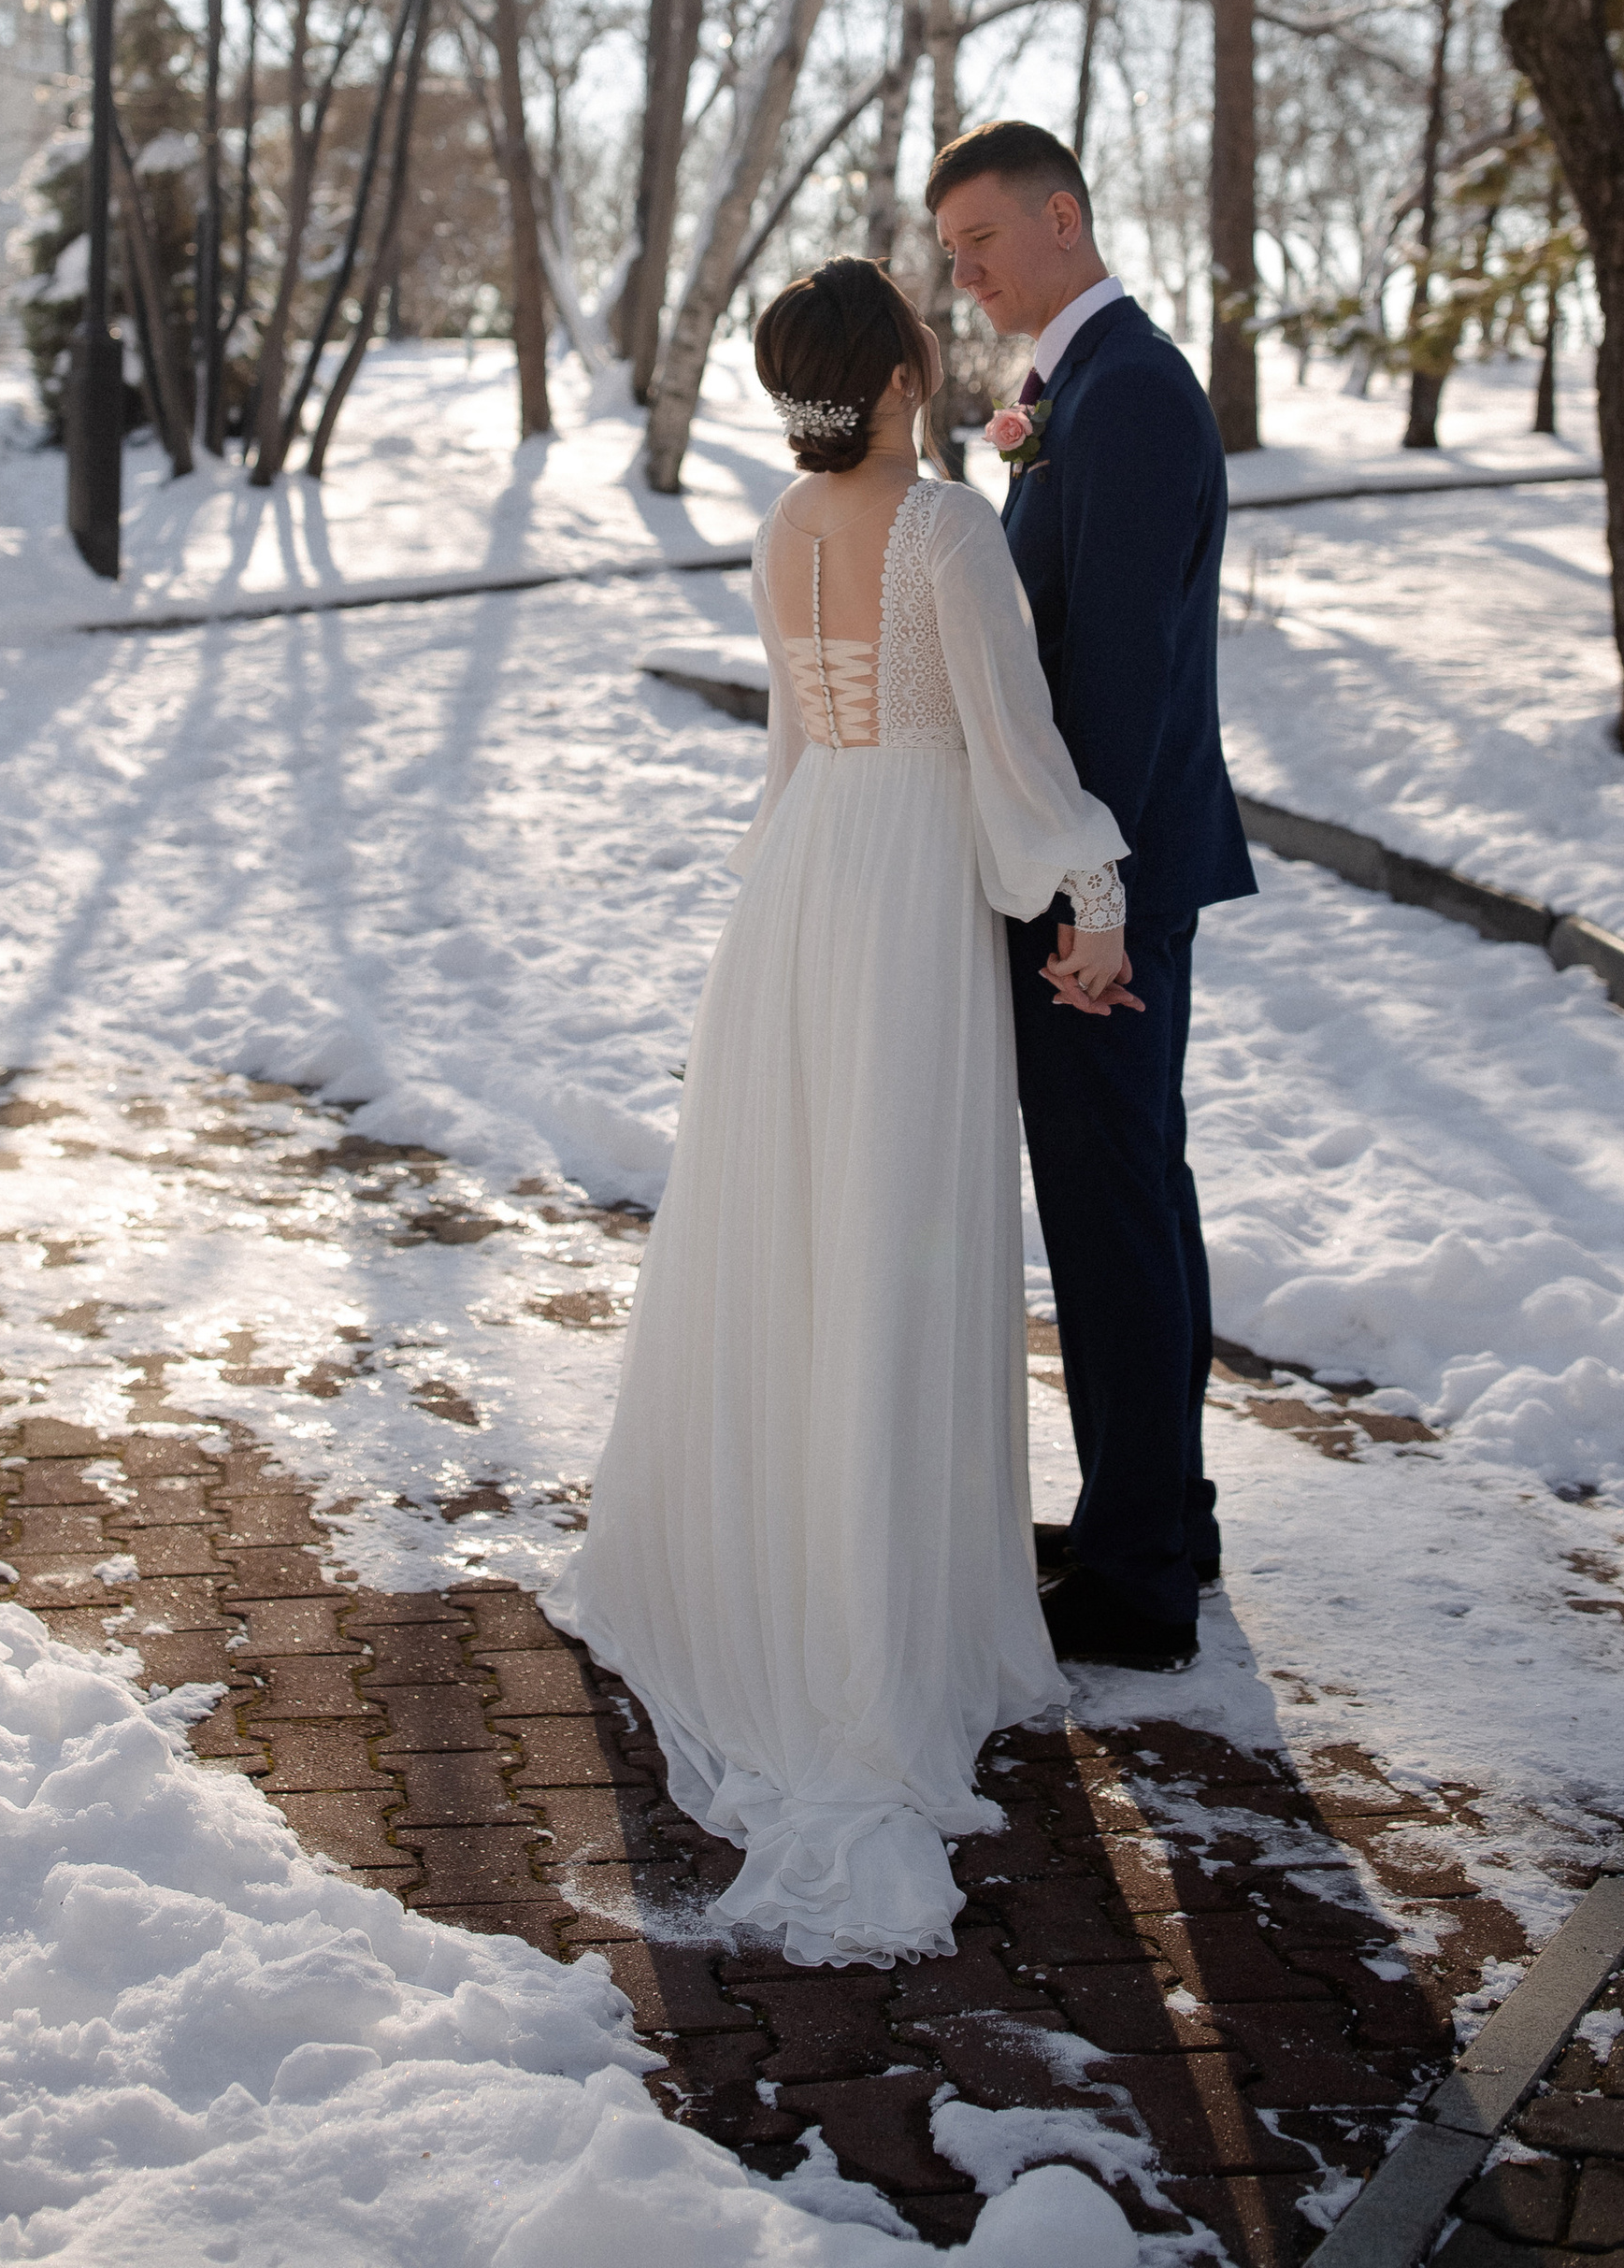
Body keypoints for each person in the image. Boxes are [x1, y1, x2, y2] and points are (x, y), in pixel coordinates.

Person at [546, 255, 1132, 1969]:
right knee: (888, 1226)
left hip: (803, 886)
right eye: (924, 344)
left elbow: (802, 744)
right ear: (890, 379)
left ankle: (792, 1568)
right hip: (900, 901)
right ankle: (878, 1641)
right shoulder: (943, 528)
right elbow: (1013, 747)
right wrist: (1089, 898)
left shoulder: (785, 526)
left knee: (804, 1227)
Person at [927, 119, 1257, 1676]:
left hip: (1105, 881)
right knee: (1134, 1189)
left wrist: (1089, 899)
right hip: (1103, 868)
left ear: (1063, 217)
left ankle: (1137, 1578)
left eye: (984, 241)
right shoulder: (1082, 389)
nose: (967, 272)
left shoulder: (1124, 394)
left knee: (1113, 1201)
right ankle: (1158, 1514)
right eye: (953, 253)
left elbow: (1115, 679)